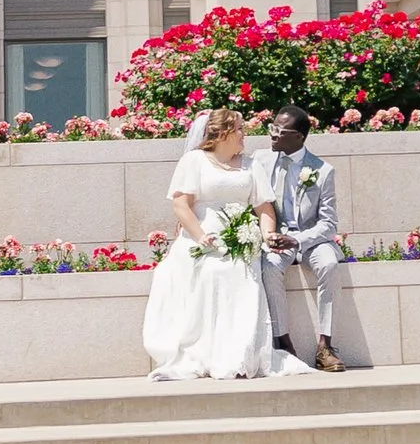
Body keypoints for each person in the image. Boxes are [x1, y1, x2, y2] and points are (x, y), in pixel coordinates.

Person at [141, 111, 312, 383]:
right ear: (224, 134)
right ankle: (204, 352)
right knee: (209, 273)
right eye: (240, 129)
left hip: (241, 242)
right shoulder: (194, 161)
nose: (245, 134)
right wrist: (200, 236)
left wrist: (267, 234)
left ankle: (240, 353)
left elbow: (264, 206)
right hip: (201, 239)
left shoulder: (250, 164)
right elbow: (180, 205)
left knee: (240, 274)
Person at [257, 110, 351, 370]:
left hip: (311, 240)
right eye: (272, 127)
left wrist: (297, 240)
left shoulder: (322, 171)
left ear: (298, 137)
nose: (272, 134)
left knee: (330, 265)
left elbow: (328, 224)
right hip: (275, 238)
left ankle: (325, 347)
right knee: (268, 267)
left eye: (280, 131)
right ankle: (283, 343)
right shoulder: (260, 161)